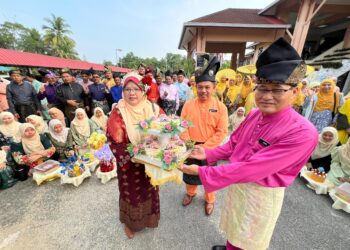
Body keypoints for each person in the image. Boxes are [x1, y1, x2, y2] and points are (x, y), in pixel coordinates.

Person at [179, 38, 318, 250]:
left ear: (295, 91)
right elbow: (233, 144)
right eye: (262, 87)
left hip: (261, 194)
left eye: (277, 89)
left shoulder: (302, 132)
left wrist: (203, 172)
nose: (267, 96)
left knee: (250, 240)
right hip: (239, 184)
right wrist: (208, 155)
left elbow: (253, 168)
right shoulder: (254, 114)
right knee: (234, 229)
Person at [106, 72, 161, 238]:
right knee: (132, 194)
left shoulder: (153, 107)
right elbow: (114, 141)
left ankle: (150, 219)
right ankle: (131, 224)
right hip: (130, 166)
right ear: (123, 91)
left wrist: (162, 143)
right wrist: (135, 152)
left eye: (136, 89)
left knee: (150, 190)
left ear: (143, 91)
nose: (132, 93)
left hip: (151, 161)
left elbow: (166, 127)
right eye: (128, 89)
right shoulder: (118, 112)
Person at [180, 55, 228, 216]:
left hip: (210, 149)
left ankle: (210, 199)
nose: (203, 91)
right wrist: (189, 144)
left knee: (210, 177)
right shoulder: (188, 105)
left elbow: (221, 131)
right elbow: (183, 126)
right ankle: (191, 192)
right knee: (189, 173)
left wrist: (205, 147)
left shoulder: (221, 107)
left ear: (214, 87)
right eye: (200, 87)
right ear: (195, 87)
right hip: (190, 147)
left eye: (207, 87)